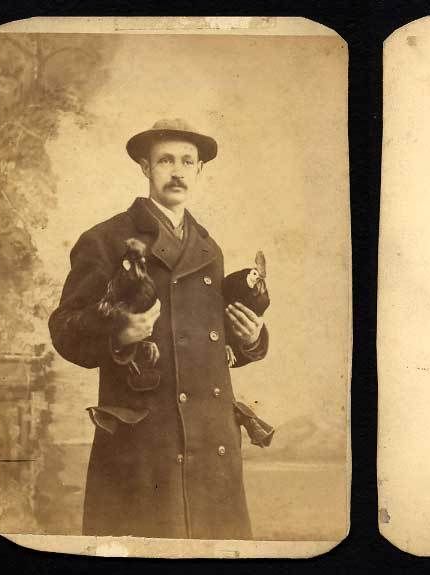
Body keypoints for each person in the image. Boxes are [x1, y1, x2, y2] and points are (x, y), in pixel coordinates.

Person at [48, 118, 268, 539]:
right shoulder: (106, 239)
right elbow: (64, 330)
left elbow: (204, 342)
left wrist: (250, 339)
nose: (178, 171)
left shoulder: (208, 246)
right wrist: (118, 332)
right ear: (145, 168)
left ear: (200, 169)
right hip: (146, 447)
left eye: (188, 160)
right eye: (166, 160)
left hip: (212, 443)